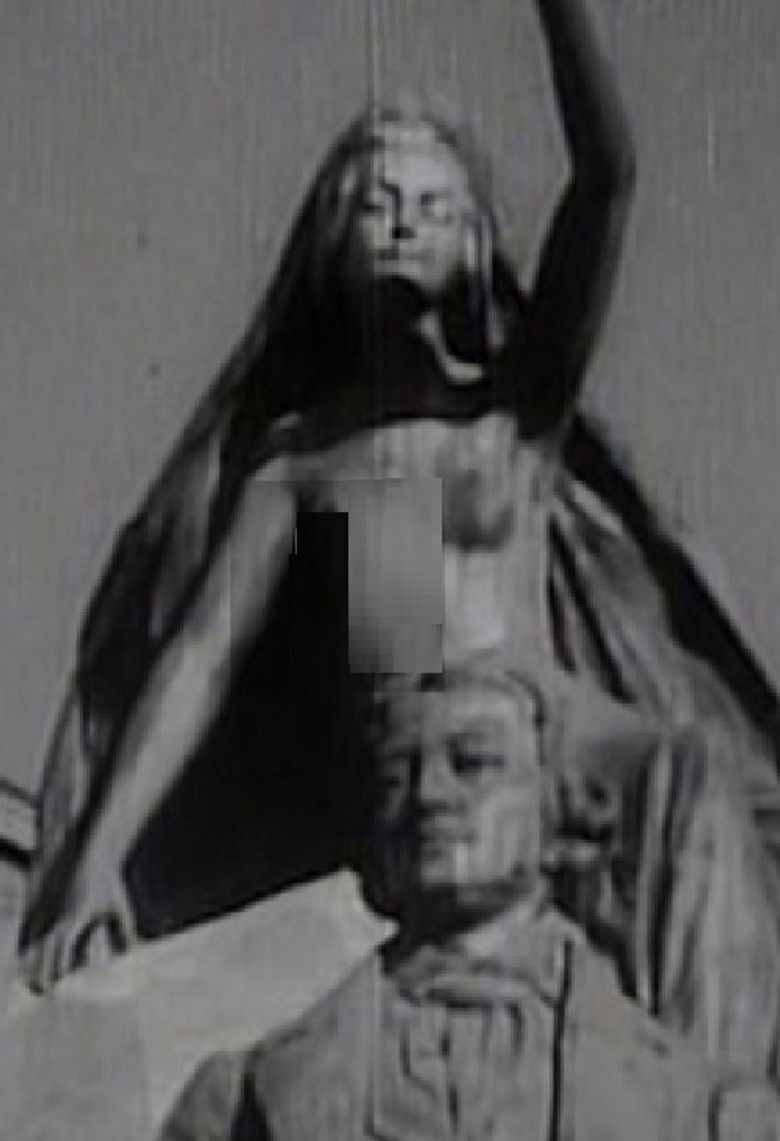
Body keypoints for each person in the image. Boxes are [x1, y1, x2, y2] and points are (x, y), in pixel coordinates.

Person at [19, 0, 780, 989]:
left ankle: (697, 1081)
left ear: (475, 249)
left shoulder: (514, 412)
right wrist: (99, 859)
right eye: (377, 203)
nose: (405, 221)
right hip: (425, 731)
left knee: (698, 780)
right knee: (385, 514)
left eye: (433, 206)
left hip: (548, 723)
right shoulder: (309, 461)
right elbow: (202, 654)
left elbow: (608, 177)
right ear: (331, 244)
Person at [146, 668, 780, 1141]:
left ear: (559, 811)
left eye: (473, 763)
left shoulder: (711, 1122)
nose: (429, 795)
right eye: (396, 776)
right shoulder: (237, 1104)